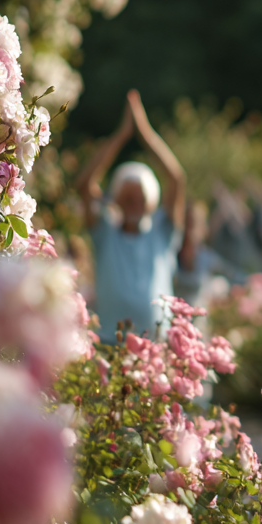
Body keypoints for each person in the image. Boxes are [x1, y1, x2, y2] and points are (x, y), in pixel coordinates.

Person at [76, 90, 187, 343]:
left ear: (151, 202)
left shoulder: (163, 231)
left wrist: (144, 133)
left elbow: (177, 179)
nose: (135, 204)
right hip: (109, 344)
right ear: (116, 200)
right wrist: (121, 136)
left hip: (155, 349)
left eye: (141, 199)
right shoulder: (105, 232)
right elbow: (84, 185)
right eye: (128, 198)